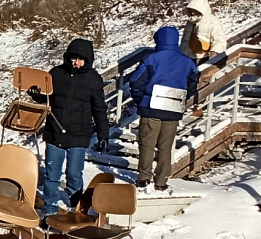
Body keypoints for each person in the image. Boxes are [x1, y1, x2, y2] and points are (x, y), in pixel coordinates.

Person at [28, 38, 110, 221]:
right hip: (55, 131)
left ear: (88, 60)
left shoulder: (93, 80)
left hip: (79, 135)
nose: (76, 62)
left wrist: (104, 135)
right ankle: (49, 208)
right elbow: (47, 99)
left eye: (81, 59)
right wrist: (37, 95)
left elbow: (99, 109)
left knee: (74, 174)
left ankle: (76, 205)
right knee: (52, 174)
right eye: (73, 58)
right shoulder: (56, 74)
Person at [130, 26, 199, 192]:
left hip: (150, 106)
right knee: (165, 147)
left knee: (147, 144)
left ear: (158, 39)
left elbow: (136, 81)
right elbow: (193, 82)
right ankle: (161, 181)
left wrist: (141, 100)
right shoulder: (187, 62)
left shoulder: (151, 59)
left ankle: (143, 178)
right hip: (173, 107)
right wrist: (182, 97)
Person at [180, 0, 227, 65]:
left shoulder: (213, 22)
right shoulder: (190, 22)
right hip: (186, 56)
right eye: (191, 10)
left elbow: (220, 40)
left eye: (195, 10)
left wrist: (214, 51)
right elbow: (185, 39)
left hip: (203, 57)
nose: (192, 12)